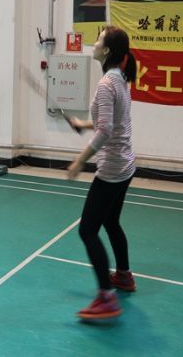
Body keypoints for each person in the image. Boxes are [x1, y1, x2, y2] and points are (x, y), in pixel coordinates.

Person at [67, 26, 137, 320]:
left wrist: (79, 161)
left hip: (111, 169)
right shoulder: (120, 78)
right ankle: (123, 275)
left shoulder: (107, 84)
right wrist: (83, 124)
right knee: (111, 221)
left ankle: (106, 298)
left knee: (87, 230)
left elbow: (106, 130)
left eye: (98, 40)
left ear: (106, 51)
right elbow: (112, 121)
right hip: (126, 165)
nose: (94, 44)